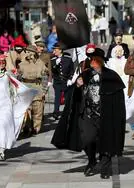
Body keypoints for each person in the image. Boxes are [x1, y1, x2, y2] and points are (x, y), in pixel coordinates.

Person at [51, 47, 126, 179]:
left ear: (101, 61)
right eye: (91, 60)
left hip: (106, 115)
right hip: (88, 114)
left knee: (106, 141)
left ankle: (105, 166)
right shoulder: (85, 74)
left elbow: (118, 100)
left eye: (95, 60)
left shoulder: (111, 76)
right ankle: (91, 160)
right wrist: (77, 86)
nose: (92, 62)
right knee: (88, 139)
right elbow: (74, 95)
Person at [0, 38, 36, 161]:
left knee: (3, 126)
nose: (1, 64)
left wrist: (30, 93)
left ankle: (1, 150)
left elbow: (19, 87)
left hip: (5, 105)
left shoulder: (8, 76)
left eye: (3, 62)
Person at [18, 45, 47, 135]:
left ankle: (36, 128)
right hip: (26, 87)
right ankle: (26, 128)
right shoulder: (21, 64)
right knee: (26, 110)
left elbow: (45, 77)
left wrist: (44, 89)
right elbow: (18, 78)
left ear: (35, 53)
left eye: (30, 51)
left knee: (37, 109)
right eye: (27, 51)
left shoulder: (40, 63)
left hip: (37, 86)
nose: (28, 53)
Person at [51, 43, 76, 120]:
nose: (54, 51)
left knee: (67, 98)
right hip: (57, 82)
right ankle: (56, 112)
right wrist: (55, 65)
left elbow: (72, 70)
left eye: (55, 50)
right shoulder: (53, 60)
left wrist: (70, 79)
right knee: (57, 98)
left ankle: (68, 112)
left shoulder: (68, 59)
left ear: (60, 50)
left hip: (66, 81)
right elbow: (51, 71)